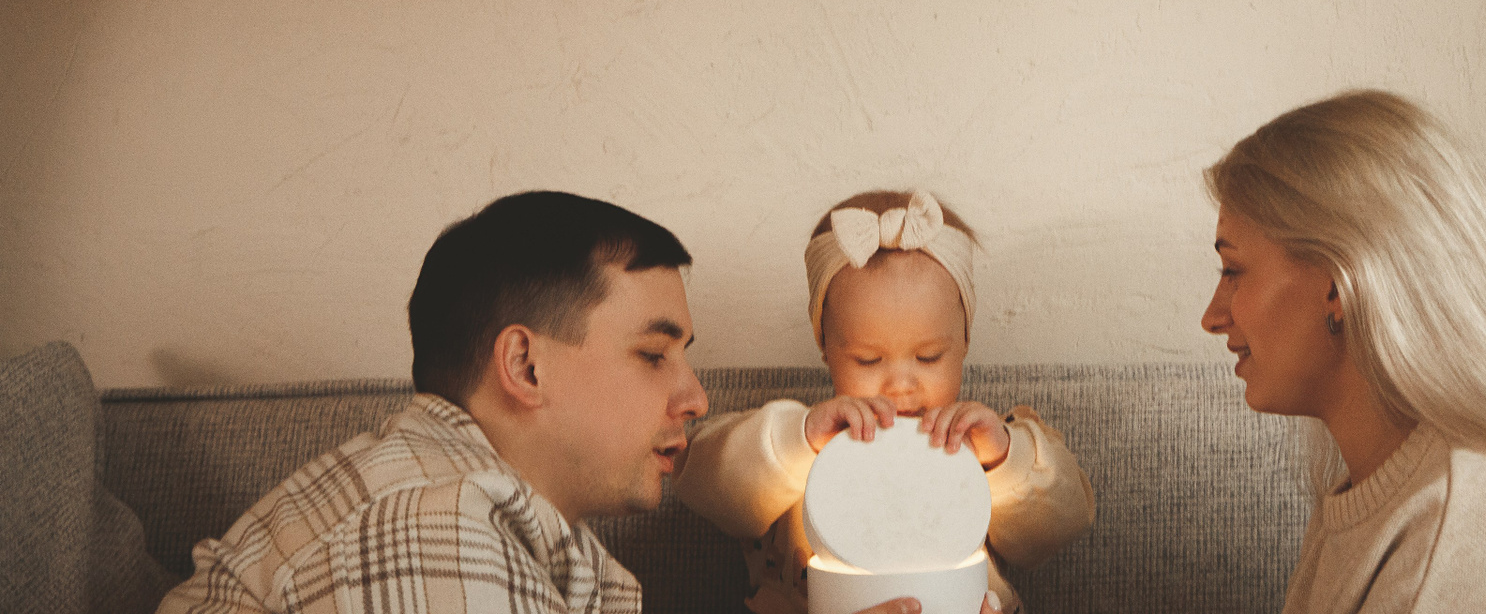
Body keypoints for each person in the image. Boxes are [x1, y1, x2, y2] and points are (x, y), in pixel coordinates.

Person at [157, 191, 946, 614]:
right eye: (653, 354)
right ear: (525, 366)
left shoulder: (532, 535)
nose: (696, 396)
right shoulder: (428, 518)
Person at [1200, 91, 1486, 614]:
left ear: (1339, 284)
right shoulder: (1387, 492)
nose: (1212, 317)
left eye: (1233, 271)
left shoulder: (1469, 532)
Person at [676, 190, 1095, 614]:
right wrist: (797, 441)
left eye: (929, 357)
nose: (900, 386)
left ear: (964, 343)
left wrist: (1004, 458)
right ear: (826, 349)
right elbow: (701, 478)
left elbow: (1065, 521)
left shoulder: (976, 447)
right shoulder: (806, 448)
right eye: (868, 360)